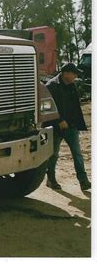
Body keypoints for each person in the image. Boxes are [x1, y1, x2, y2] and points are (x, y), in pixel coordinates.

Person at [45, 62, 91, 191]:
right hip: (55, 126)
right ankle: (51, 179)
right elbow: (47, 107)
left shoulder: (72, 85)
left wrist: (77, 124)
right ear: (65, 73)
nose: (76, 76)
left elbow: (75, 106)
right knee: (53, 154)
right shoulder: (51, 86)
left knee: (77, 153)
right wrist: (59, 120)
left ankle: (83, 181)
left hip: (71, 126)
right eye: (74, 73)